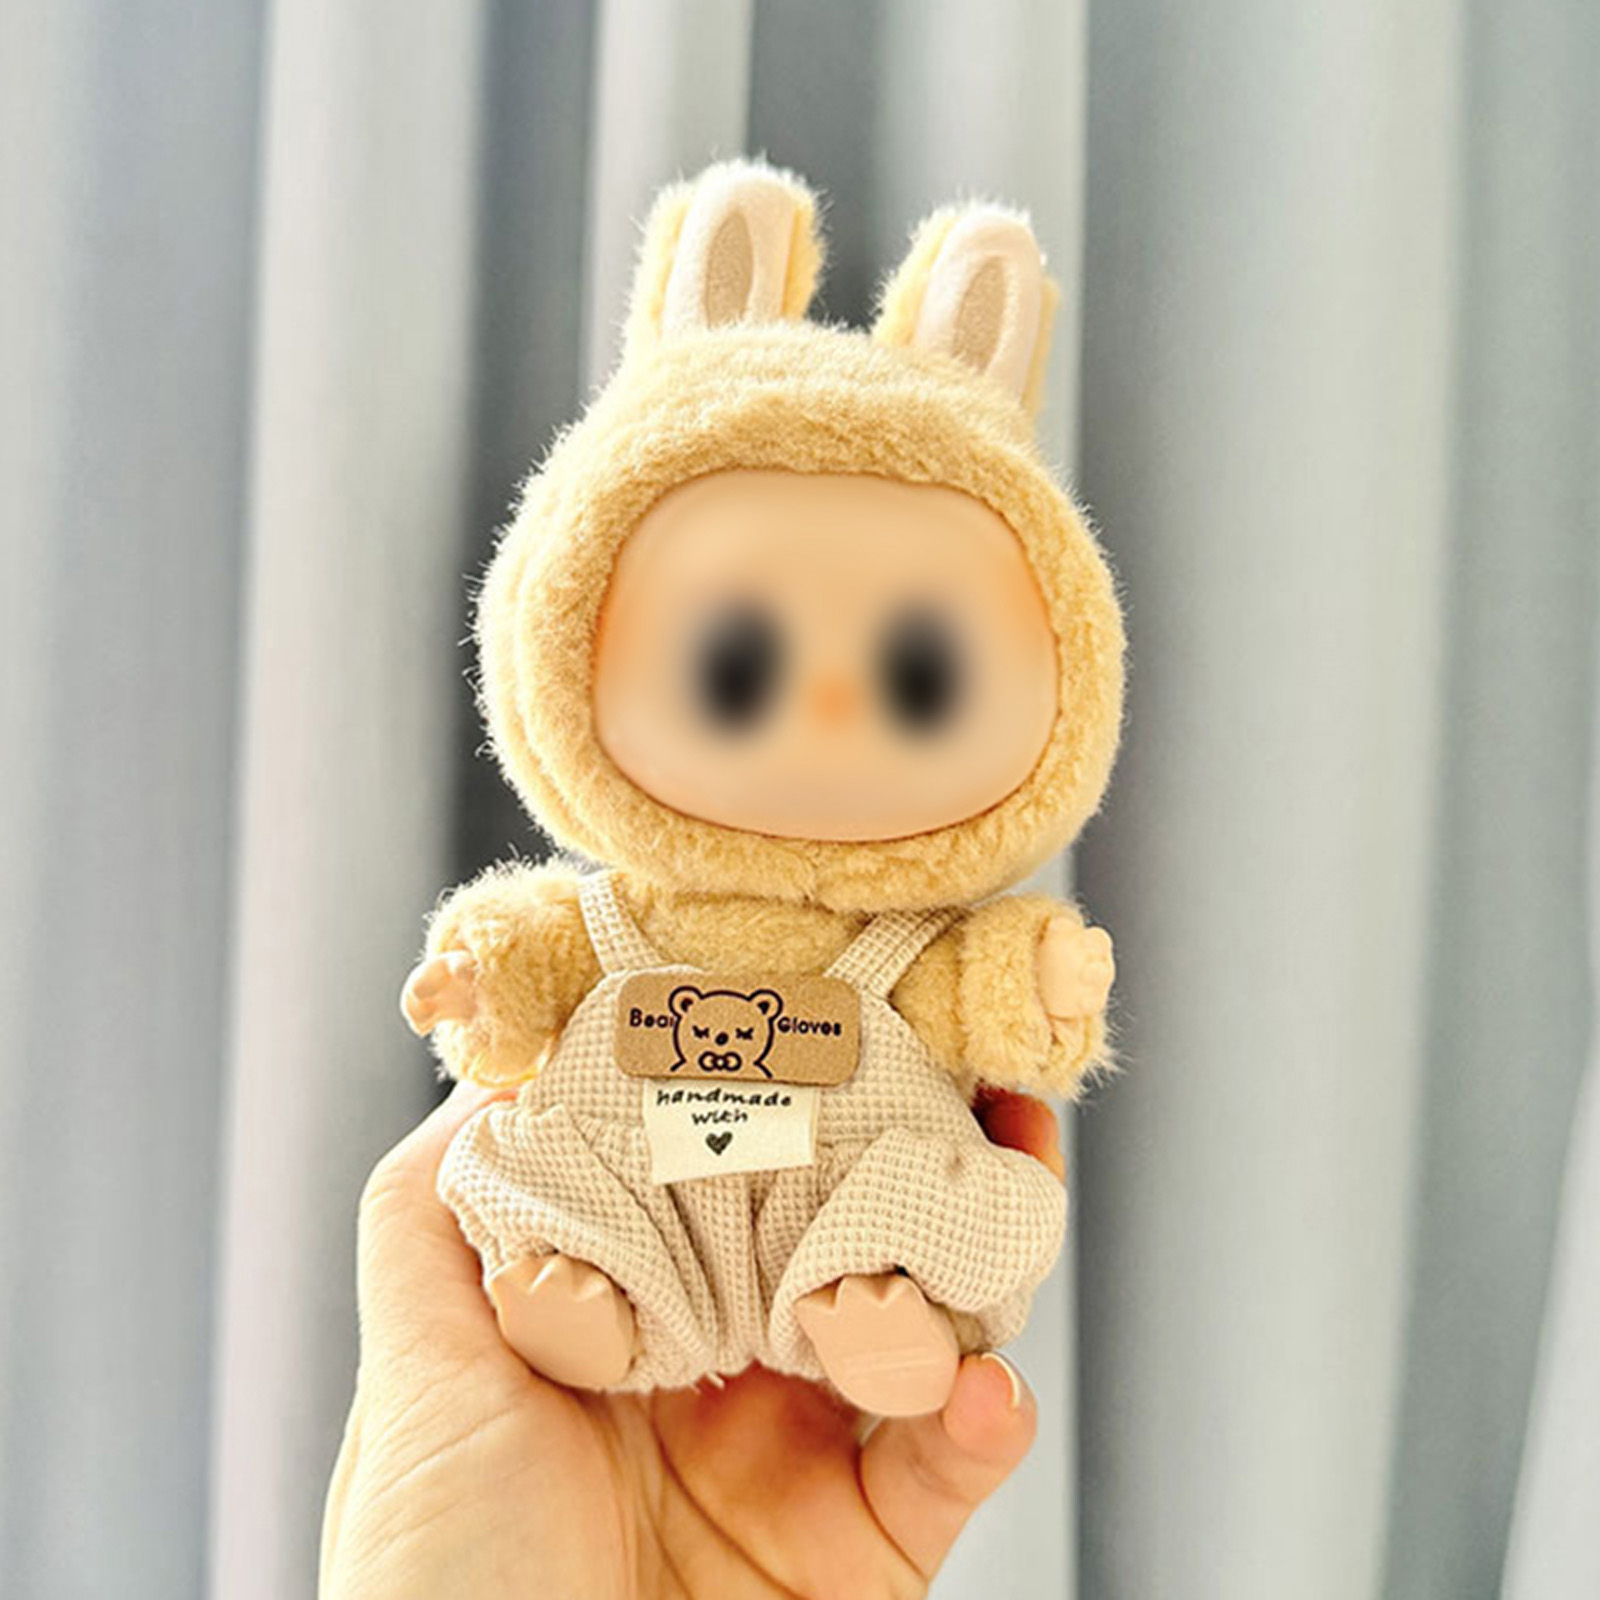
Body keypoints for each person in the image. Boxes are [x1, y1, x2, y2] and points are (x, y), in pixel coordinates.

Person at [320, 1081, 1064, 1599]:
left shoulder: (913, 938)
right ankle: (590, 1298)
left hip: (846, 1167)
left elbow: (978, 986)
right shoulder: (607, 925)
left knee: (929, 1200)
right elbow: (535, 961)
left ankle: (880, 1315)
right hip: (643, 1168)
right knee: (566, 1183)